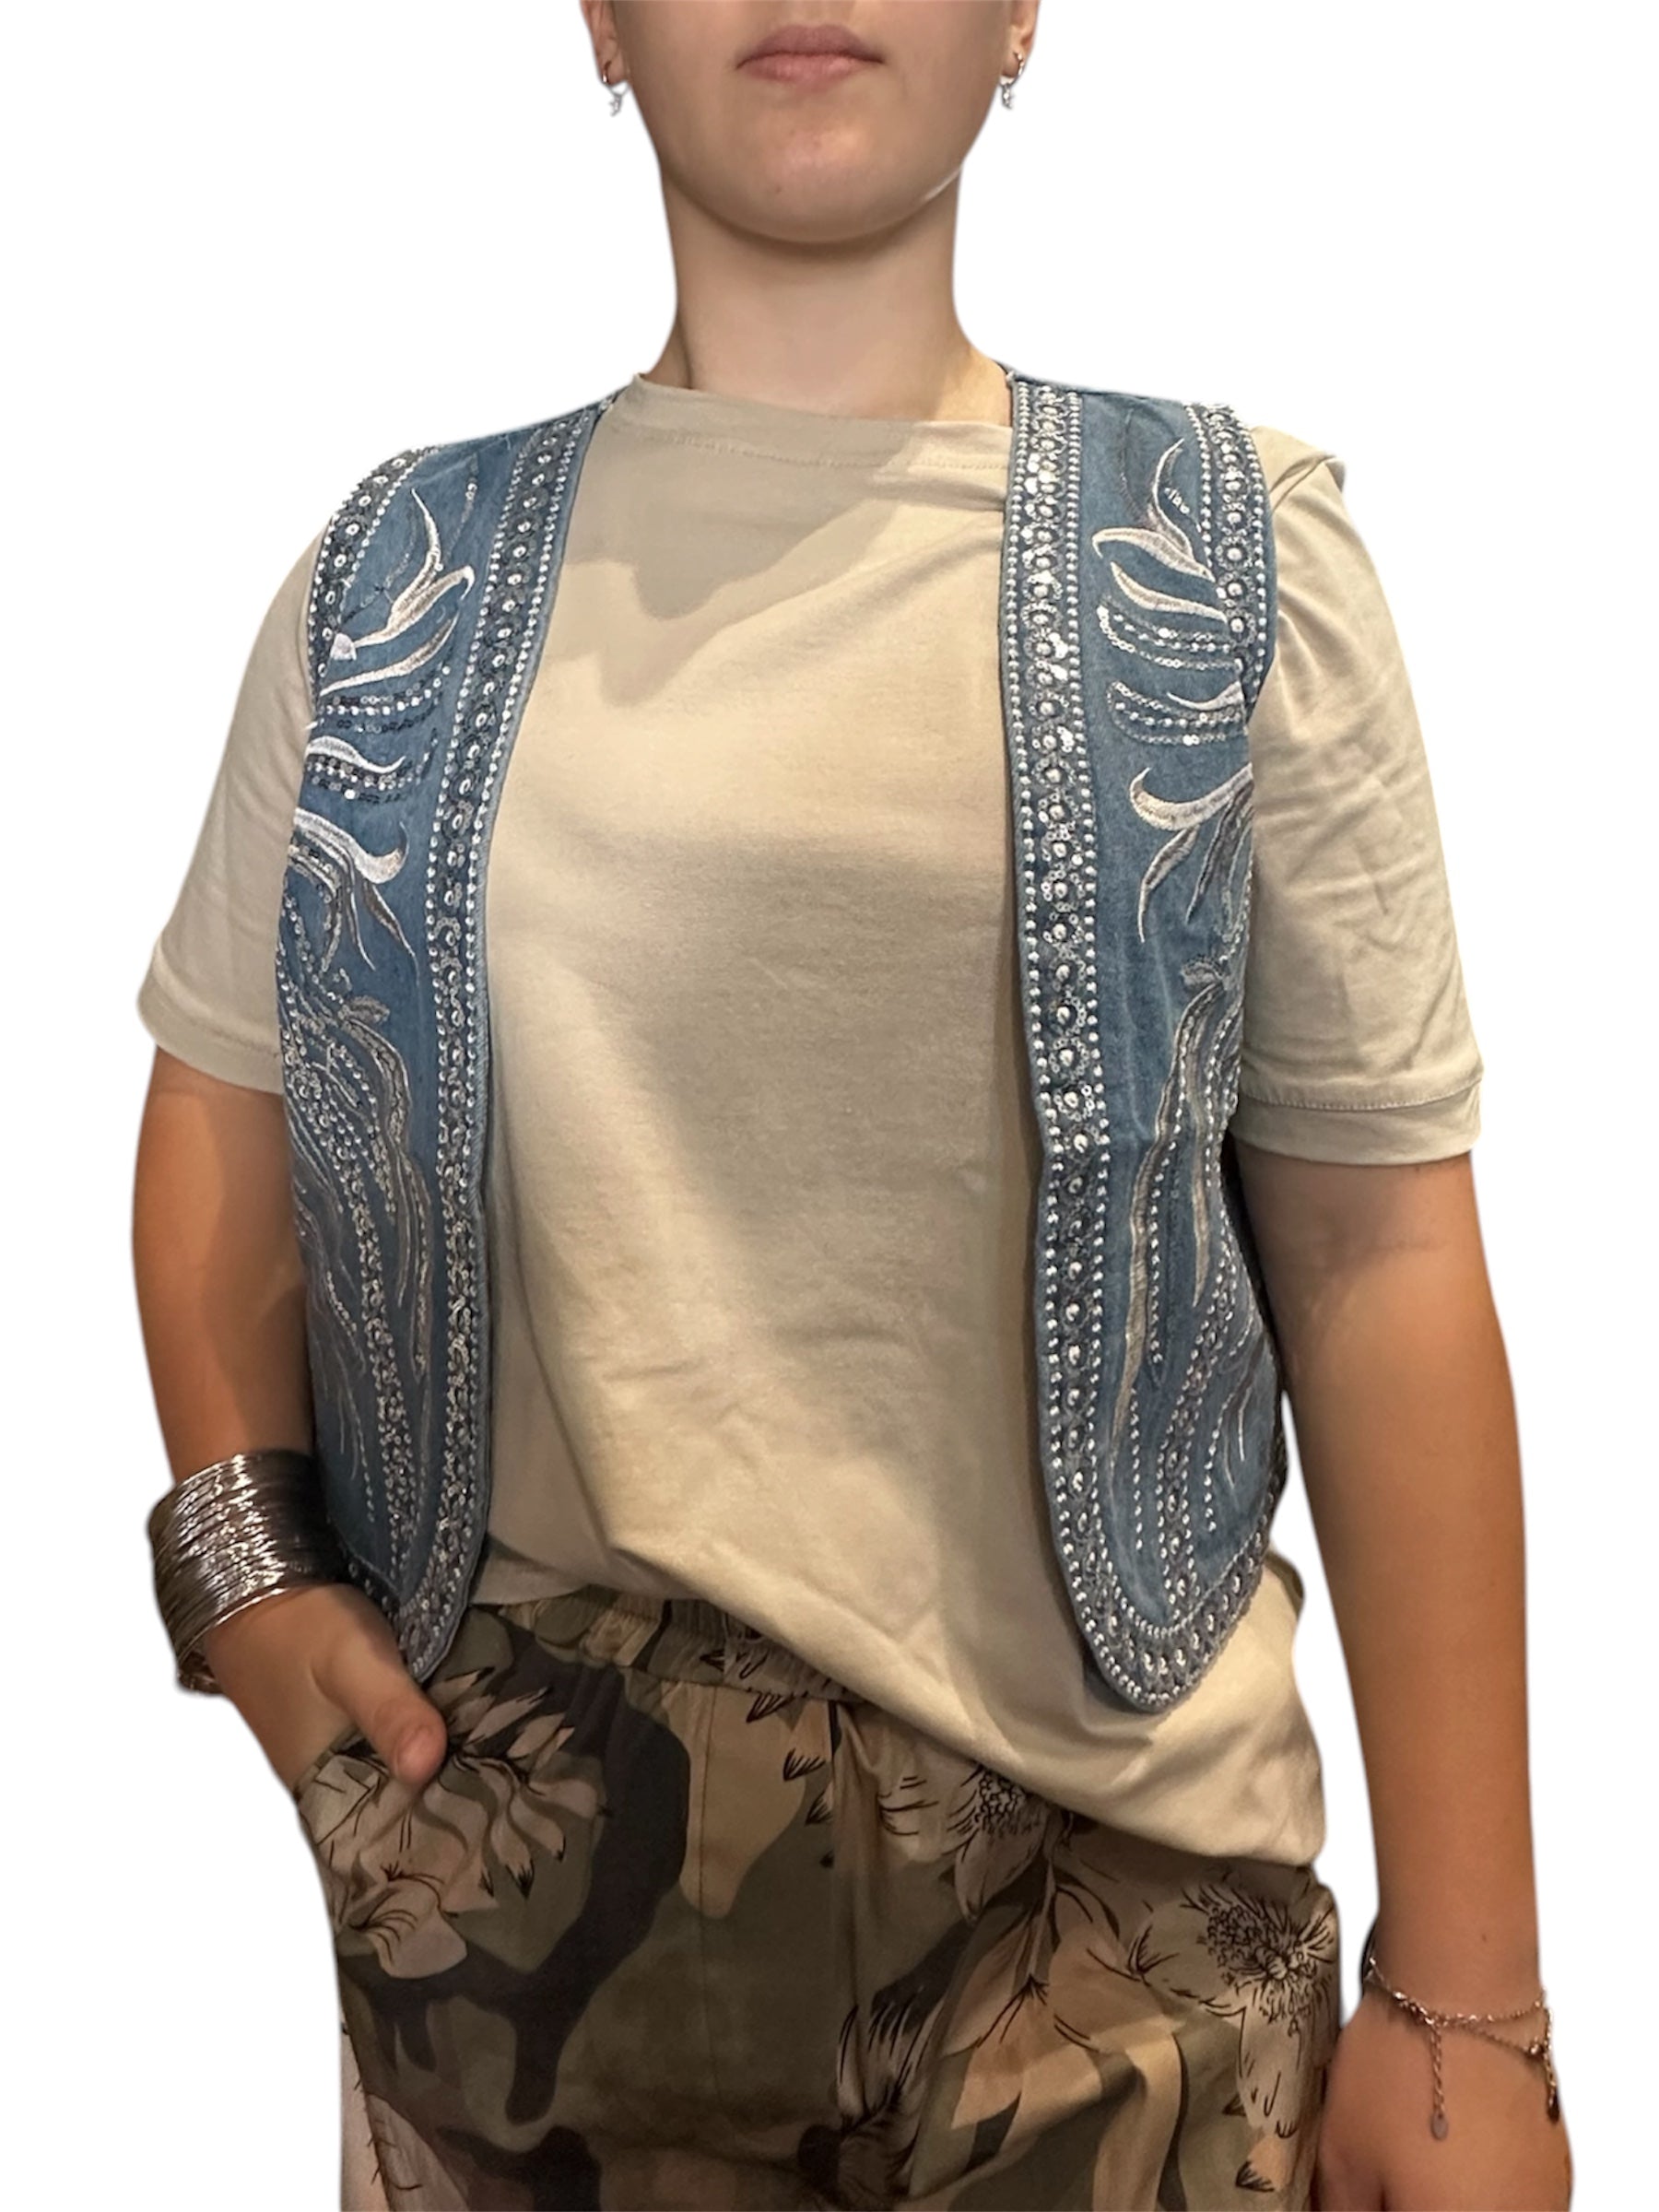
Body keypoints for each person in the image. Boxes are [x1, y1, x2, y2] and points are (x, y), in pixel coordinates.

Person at [129, 5, 1571, 2207]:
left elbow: (1380, 1258)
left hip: (1139, 1940)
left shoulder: (1236, 564)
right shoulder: (388, 581)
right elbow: (226, 1114)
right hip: (534, 1926)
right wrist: (246, 1585)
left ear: (1025, 15)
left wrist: (1473, 2004)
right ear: (600, 23)